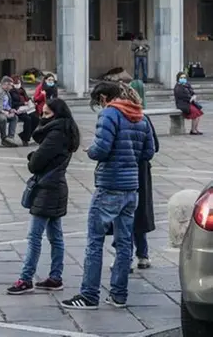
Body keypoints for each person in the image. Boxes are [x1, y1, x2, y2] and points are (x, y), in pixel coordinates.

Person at [62, 82, 154, 310]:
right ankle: (118, 295)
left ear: (104, 97)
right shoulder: (140, 115)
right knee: (124, 244)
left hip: (110, 184)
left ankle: (89, 295)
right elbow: (149, 151)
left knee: (94, 241)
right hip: (132, 187)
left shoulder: (110, 114)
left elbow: (101, 149)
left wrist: (90, 150)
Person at [7, 98, 79, 295]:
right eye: (42, 113)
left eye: (46, 114)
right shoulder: (65, 130)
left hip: (47, 188)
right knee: (55, 236)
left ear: (57, 115)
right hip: (57, 186)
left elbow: (35, 163)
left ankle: (26, 278)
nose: (42, 117)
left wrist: (32, 156)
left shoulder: (55, 134)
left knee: (34, 236)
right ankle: (55, 277)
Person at [109, 80, 159, 272]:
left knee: (123, 215)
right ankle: (143, 255)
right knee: (139, 213)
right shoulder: (143, 117)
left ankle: (125, 258)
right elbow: (153, 148)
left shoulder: (116, 117)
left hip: (123, 172)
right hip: (141, 172)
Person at [10, 76, 39, 146]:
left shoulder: (22, 89)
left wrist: (31, 101)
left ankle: (24, 135)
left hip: (26, 108)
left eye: (19, 82)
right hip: (17, 109)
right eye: (16, 82)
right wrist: (23, 103)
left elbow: (26, 98)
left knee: (36, 118)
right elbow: (12, 103)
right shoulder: (11, 91)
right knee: (28, 119)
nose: (18, 84)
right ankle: (26, 139)